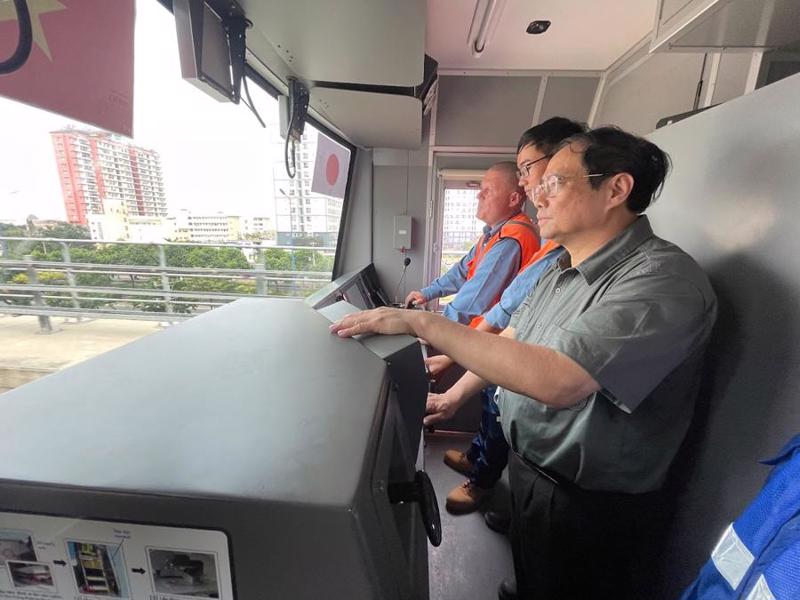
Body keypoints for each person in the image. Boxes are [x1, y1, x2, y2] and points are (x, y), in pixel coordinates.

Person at [331, 126, 718, 600]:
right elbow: (516, 336)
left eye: (554, 182)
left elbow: (559, 379)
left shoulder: (662, 283)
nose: (536, 194)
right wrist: (453, 396)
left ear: (616, 189)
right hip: (534, 472)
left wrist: (422, 325)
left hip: (591, 503)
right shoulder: (561, 268)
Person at [426, 118, 586, 516]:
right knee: (489, 410)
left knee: (496, 413)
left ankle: (482, 480)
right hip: (493, 347)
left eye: (530, 171)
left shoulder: (524, 241)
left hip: (533, 404)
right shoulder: (510, 239)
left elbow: (495, 306)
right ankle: (479, 460)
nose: (536, 193)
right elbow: (508, 313)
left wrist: (435, 332)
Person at [404, 162, 539, 327]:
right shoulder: (493, 234)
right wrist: (426, 293)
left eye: (487, 191)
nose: (479, 195)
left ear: (513, 199)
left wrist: (430, 327)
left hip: (493, 340)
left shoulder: (512, 238)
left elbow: (475, 297)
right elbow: (461, 272)